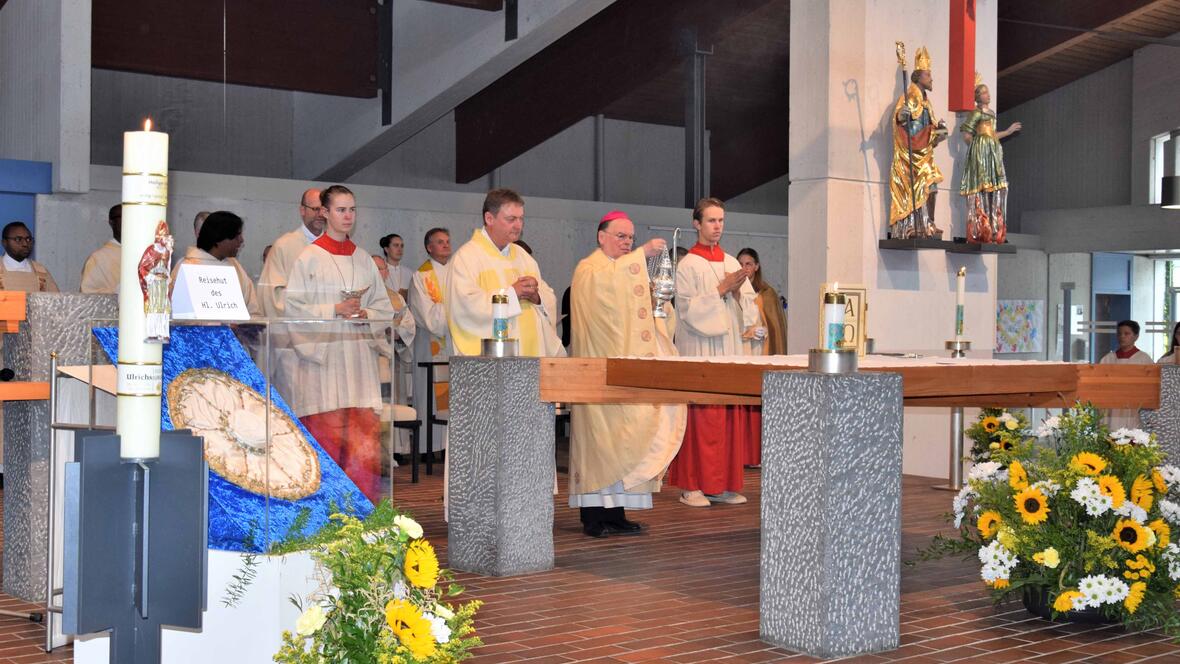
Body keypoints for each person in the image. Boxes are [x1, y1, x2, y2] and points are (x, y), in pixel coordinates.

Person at [569, 210, 687, 538]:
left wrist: (654, 301)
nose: (627, 243)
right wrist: (640, 256)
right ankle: (593, 518)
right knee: (599, 446)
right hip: (598, 370)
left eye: (631, 238)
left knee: (624, 442)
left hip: (626, 368)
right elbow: (604, 291)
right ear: (601, 236)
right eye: (621, 236)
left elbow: (644, 313)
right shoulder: (588, 269)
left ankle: (617, 513)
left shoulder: (626, 271)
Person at [284, 185, 395, 504]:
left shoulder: (363, 259)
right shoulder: (308, 257)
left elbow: (383, 307)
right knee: (328, 436)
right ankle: (323, 510)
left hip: (358, 358)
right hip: (325, 360)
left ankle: (361, 509)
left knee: (362, 440)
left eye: (352, 210)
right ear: (325, 213)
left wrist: (366, 312)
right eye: (341, 210)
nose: (348, 216)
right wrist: (333, 310)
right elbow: (292, 310)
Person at [670, 198, 760, 507]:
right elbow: (686, 310)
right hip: (699, 349)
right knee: (701, 415)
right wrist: (720, 291)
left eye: (721, 220)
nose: (717, 226)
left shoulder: (732, 263)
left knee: (725, 416)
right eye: (711, 221)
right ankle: (692, 485)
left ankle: (719, 484)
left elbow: (749, 313)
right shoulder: (688, 265)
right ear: (697, 224)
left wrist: (736, 294)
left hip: (728, 348)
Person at [447, 188, 564, 357]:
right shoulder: (466, 258)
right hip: (493, 362)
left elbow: (548, 297)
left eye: (521, 219)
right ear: (489, 218)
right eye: (511, 219)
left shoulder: (524, 257)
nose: (518, 225)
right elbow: (465, 308)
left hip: (531, 355)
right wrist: (511, 294)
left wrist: (537, 298)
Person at [889, 46, 947, 240]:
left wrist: (939, 131)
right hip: (911, 154)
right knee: (916, 188)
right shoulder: (908, 98)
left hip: (924, 153)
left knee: (933, 186)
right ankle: (913, 225)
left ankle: (928, 223)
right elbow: (899, 120)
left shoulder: (927, 102)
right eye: (928, 74)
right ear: (918, 77)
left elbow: (929, 130)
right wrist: (900, 115)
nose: (931, 78)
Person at [959, 77, 1022, 244]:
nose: (988, 95)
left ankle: (995, 227)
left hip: (993, 152)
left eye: (988, 92)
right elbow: (967, 135)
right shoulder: (975, 113)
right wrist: (977, 150)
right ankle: (982, 226)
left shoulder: (992, 114)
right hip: (981, 153)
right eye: (984, 92)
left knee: (995, 188)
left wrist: (1008, 132)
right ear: (978, 96)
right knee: (982, 187)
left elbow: (992, 134)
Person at [408, 227, 452, 456]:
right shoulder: (421, 277)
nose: (446, 245)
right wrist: (454, 308)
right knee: (430, 398)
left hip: (454, 347)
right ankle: (430, 449)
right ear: (429, 247)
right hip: (430, 347)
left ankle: (450, 448)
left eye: (447, 241)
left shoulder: (459, 274)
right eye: (440, 242)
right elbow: (428, 318)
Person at [170, 211, 262, 317]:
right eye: (236, 236)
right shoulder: (188, 266)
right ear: (219, 238)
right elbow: (177, 310)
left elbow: (252, 309)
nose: (241, 240)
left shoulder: (235, 266)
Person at [258, 188, 325, 318]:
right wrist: (307, 312)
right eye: (316, 209)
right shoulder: (283, 245)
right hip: (296, 326)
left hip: (328, 325)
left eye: (323, 210)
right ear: (302, 210)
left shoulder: (334, 246)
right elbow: (271, 294)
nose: (320, 215)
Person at [1098, 320, 1154, 429]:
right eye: (1119, 333)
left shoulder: (1143, 359)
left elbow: (1149, 387)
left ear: (1136, 336)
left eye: (1126, 333)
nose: (1122, 337)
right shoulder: (1107, 359)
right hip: (1111, 408)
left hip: (1132, 408)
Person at [736, 248, 787, 355]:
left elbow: (774, 327)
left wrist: (765, 330)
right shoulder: (733, 292)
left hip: (760, 347)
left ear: (756, 267)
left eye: (748, 264)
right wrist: (748, 332)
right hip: (739, 347)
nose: (743, 268)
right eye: (740, 264)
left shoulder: (767, 293)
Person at [0, 222, 58, 292]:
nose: (25, 244)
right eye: (18, 239)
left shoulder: (41, 272)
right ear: (4, 242)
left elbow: (55, 300)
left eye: (28, 239)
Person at [80, 205, 122, 294]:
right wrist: (116, 291)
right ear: (112, 223)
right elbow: (87, 296)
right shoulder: (98, 258)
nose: (130, 221)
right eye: (123, 216)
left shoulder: (148, 254)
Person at [379, 233, 412, 302]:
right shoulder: (379, 271)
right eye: (396, 245)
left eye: (402, 246)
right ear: (386, 249)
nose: (400, 249)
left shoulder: (409, 272)